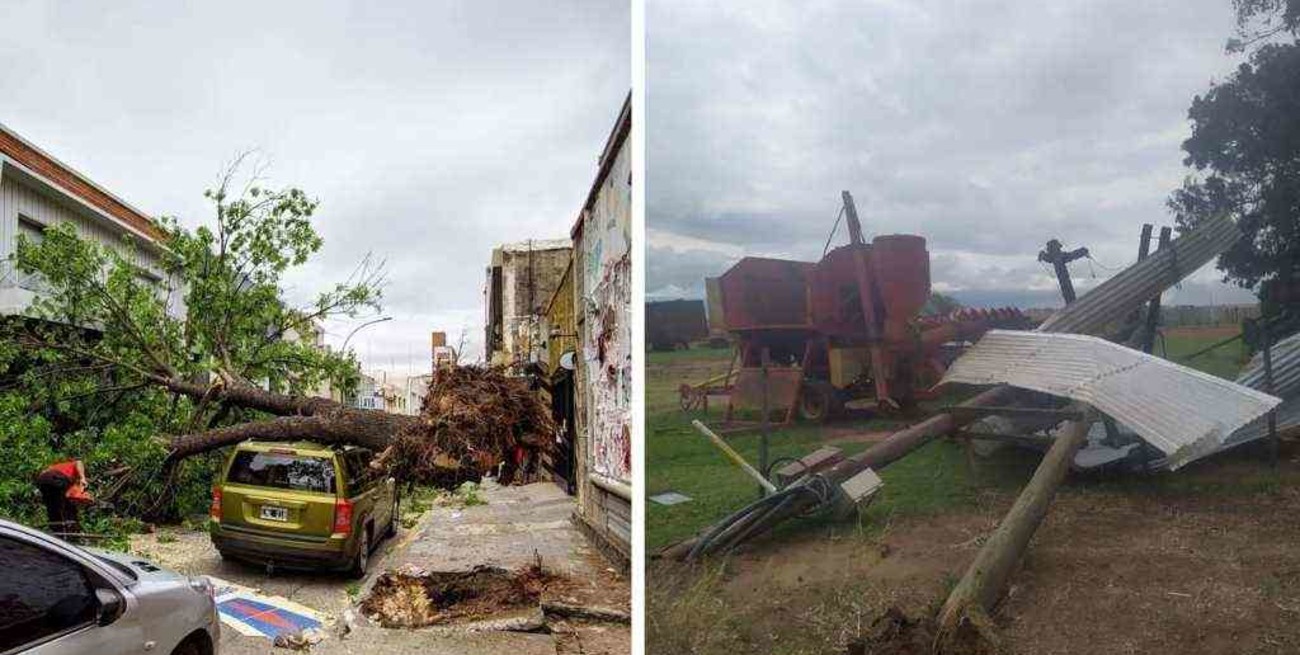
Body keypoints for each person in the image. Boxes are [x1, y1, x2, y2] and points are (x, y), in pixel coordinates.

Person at [35, 459, 89, 534]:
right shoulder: (72, 467)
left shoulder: (55, 467)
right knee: (68, 506)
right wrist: (82, 478)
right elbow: (79, 462)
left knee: (53, 508)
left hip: (42, 480)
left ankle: (57, 531)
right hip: (56, 477)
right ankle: (72, 529)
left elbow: (44, 473)